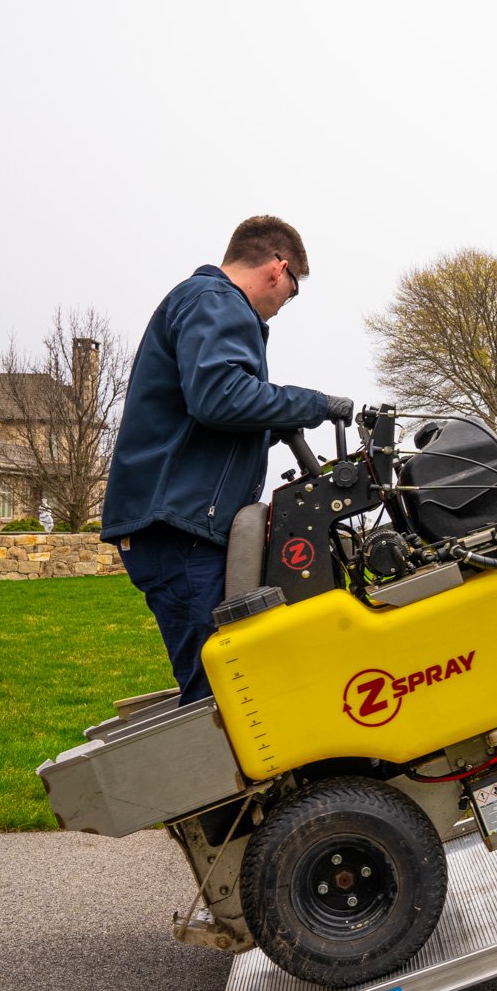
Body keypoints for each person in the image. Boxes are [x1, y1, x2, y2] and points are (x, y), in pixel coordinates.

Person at [101, 215, 352, 704]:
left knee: (236, 675)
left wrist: (269, 422)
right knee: (228, 689)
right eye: (293, 291)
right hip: (180, 531)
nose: (284, 306)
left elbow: (212, 402)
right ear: (279, 269)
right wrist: (313, 404)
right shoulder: (217, 302)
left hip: (177, 525)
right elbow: (219, 397)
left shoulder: (203, 302)